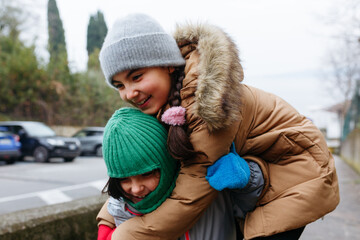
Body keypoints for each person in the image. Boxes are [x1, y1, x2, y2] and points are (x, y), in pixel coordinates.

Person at [97, 13, 340, 239]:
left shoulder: (207, 104)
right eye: (119, 85)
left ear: (168, 64)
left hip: (297, 175)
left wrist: (127, 234)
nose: (129, 93)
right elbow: (140, 164)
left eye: (137, 77)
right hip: (264, 173)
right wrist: (109, 217)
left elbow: (191, 195)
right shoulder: (167, 100)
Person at [97, 107, 264, 240]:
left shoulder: (206, 187)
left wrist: (247, 179)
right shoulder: (120, 210)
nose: (135, 189)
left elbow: (249, 209)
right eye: (124, 179)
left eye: (146, 174)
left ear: (167, 165)